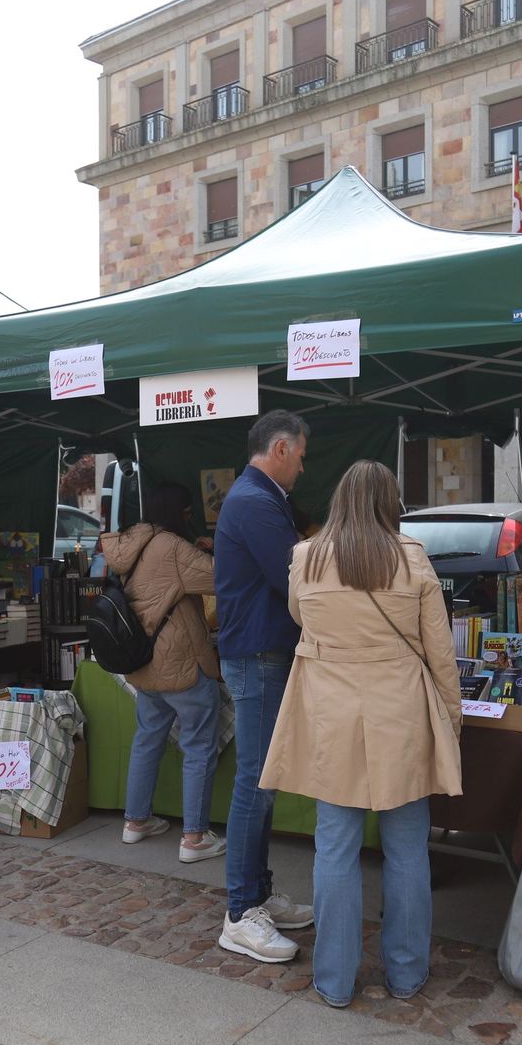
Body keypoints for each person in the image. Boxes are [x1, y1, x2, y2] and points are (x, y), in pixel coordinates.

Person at [261, 460, 462, 1007]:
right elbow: (440, 652)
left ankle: (335, 978)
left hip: (332, 713)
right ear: (391, 503)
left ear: (339, 500)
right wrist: (452, 718)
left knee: (335, 847)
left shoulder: (305, 558)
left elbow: (301, 619)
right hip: (401, 709)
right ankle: (405, 973)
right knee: (406, 850)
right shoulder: (413, 559)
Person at [213, 409, 314, 963]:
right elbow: (294, 578)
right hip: (257, 656)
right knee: (255, 781)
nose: (303, 464)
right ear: (279, 448)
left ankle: (257, 893)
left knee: (264, 778)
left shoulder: (259, 497)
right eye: (299, 454)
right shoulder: (255, 501)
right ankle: (239, 914)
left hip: (261, 653)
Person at [98, 482, 225, 864]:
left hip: (143, 663)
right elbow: (220, 578)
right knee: (199, 746)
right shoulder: (171, 546)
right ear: (177, 512)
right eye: (187, 513)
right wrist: (210, 549)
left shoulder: (128, 543)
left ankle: (135, 822)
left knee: (146, 739)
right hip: (181, 666)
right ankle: (195, 838)